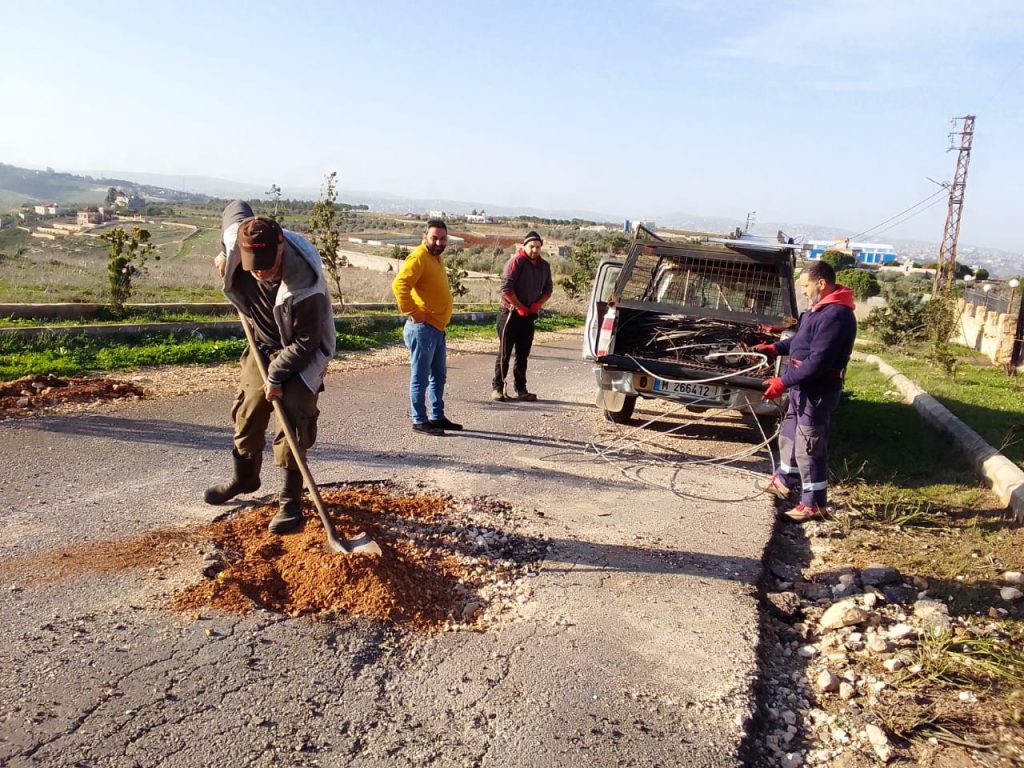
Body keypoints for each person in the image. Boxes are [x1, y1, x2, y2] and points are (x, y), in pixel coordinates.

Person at [204, 201, 336, 534]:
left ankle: (290, 503)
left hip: (299, 351)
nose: (261, 273)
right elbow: (235, 207)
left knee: (292, 419)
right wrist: (224, 254)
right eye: (254, 266)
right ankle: (244, 479)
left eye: (268, 266)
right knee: (248, 410)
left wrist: (276, 377)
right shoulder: (238, 238)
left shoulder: (305, 281)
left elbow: (306, 342)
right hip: (259, 343)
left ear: (281, 246)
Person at [753, 260, 857, 522]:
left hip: (817, 391)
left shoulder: (836, 315)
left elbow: (818, 363)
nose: (804, 291)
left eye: (806, 286)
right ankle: (784, 480)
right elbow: (800, 343)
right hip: (802, 387)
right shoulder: (817, 311)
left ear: (821, 283)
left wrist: (781, 383)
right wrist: (776, 348)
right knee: (789, 434)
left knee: (809, 446)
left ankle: (814, 504)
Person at [391, 219, 462, 436]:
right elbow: (399, 285)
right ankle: (419, 420)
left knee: (438, 375)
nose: (438, 242)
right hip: (423, 329)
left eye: (442, 238)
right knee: (420, 377)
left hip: (437, 329)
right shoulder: (419, 257)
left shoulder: (435, 258)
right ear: (425, 237)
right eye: (434, 238)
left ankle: (437, 417)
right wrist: (413, 311)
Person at [491, 231, 553, 402]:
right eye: (532, 246)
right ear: (524, 246)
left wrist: (536, 305)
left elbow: (548, 290)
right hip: (510, 314)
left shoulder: (544, 266)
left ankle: (521, 389)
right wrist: (519, 306)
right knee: (504, 353)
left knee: (522, 354)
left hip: (529, 315)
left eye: (538, 247)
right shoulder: (516, 262)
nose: (534, 250)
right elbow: (507, 289)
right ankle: (498, 388)